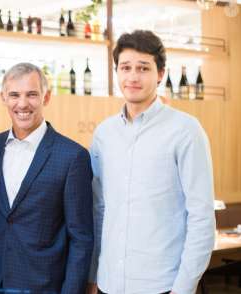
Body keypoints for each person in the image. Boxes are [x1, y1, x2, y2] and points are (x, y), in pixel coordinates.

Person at [88, 30, 215, 294]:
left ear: (160, 74)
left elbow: (201, 217)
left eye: (143, 68)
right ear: (117, 73)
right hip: (108, 283)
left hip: (162, 285)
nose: (133, 76)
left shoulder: (186, 130)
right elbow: (98, 209)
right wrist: (93, 275)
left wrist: (183, 288)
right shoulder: (104, 134)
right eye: (126, 67)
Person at [0, 62, 93, 293]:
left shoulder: (73, 156)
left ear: (47, 97)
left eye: (31, 94)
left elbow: (81, 239)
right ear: (3, 98)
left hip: (43, 285)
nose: (22, 104)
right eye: (14, 95)